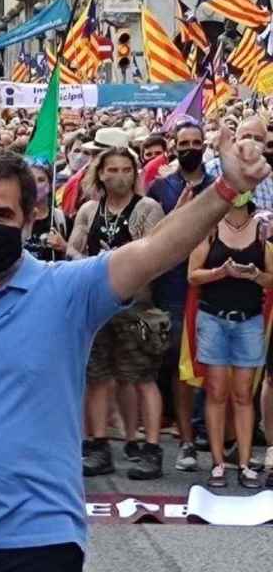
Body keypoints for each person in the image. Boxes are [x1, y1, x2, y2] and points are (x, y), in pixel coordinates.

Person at [0, 137, 267, 571]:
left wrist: (227, 189)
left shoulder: (67, 290)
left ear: (28, 221)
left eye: (3, 214)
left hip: (40, 538)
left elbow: (154, 251)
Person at [68, 147, 166, 480]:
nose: (120, 176)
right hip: (97, 305)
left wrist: (120, 260)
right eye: (113, 170)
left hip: (136, 305)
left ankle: (150, 449)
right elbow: (74, 251)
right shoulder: (89, 210)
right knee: (97, 379)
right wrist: (90, 260)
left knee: (141, 378)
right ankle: (97, 446)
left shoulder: (147, 208)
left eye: (126, 169)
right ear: (101, 173)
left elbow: (154, 251)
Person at [187, 193, 272, 489]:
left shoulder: (262, 230)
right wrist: (220, 272)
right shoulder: (210, 228)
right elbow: (192, 275)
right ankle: (218, 462)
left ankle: (246, 464)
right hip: (212, 318)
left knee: (243, 394)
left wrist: (255, 275)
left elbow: (271, 279)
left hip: (249, 319)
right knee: (216, 393)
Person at [147, 121, 216, 472]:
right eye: (184, 142)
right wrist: (179, 213)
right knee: (180, 366)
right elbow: (152, 237)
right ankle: (187, 440)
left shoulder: (218, 187)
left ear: (205, 146)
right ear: (174, 147)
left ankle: (214, 436)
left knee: (215, 367)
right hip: (173, 288)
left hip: (216, 288)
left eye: (196, 142)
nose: (191, 147)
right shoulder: (161, 188)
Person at [206, 116, 273, 211]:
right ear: (235, 140)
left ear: (264, 147)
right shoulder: (214, 168)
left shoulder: (267, 180)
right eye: (246, 136)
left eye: (258, 139)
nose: (251, 142)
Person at [24, 164, 68, 262]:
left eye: (41, 180)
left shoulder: (61, 219)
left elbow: (76, 259)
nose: (34, 185)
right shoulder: (13, 216)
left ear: (50, 185)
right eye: (30, 179)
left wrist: (64, 247)